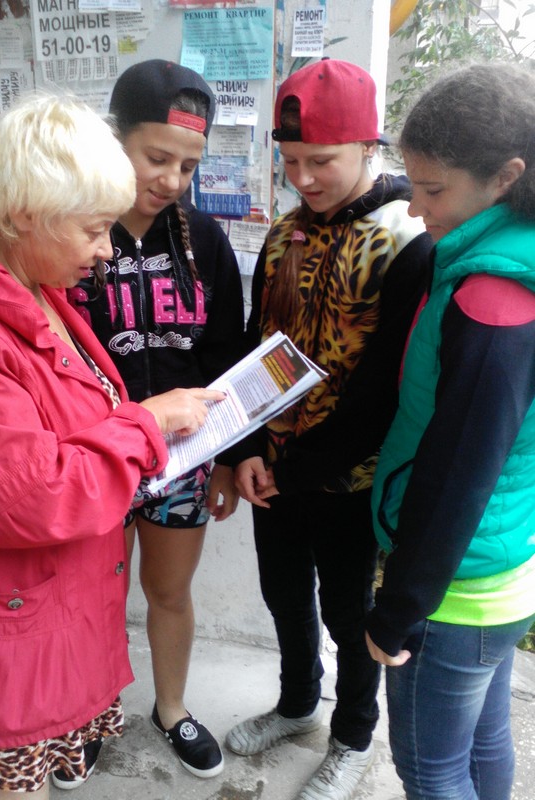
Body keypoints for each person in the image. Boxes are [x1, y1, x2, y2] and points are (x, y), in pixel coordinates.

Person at [0, 93, 225, 800]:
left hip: (53, 609)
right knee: (19, 785)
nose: (106, 249)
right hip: (10, 618)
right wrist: (148, 425)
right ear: (24, 214)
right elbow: (35, 497)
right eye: (95, 229)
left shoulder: (32, 284)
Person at [221, 58, 432, 800]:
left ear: (367, 148)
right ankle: (296, 703)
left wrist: (304, 464)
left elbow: (386, 390)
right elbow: (256, 347)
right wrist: (246, 448)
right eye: (291, 163)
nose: (304, 179)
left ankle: (351, 736)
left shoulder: (408, 240)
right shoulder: (283, 234)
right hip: (274, 465)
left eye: (322, 162)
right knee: (284, 594)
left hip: (353, 478)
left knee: (352, 615)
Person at [66, 59, 244, 780]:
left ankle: (170, 709)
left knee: (169, 593)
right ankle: (86, 714)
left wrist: (230, 457)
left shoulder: (204, 239)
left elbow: (229, 355)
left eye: (189, 165)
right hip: (95, 459)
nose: (172, 177)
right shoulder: (74, 233)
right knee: (90, 600)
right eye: (157, 157)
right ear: (115, 141)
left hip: (185, 463)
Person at [365, 62, 535, 800]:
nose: (414, 209)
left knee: (430, 770)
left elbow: (458, 473)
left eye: (432, 191)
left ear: (504, 177)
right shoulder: (501, 254)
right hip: (500, 568)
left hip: (454, 589)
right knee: (484, 742)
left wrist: (398, 609)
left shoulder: (494, 298)